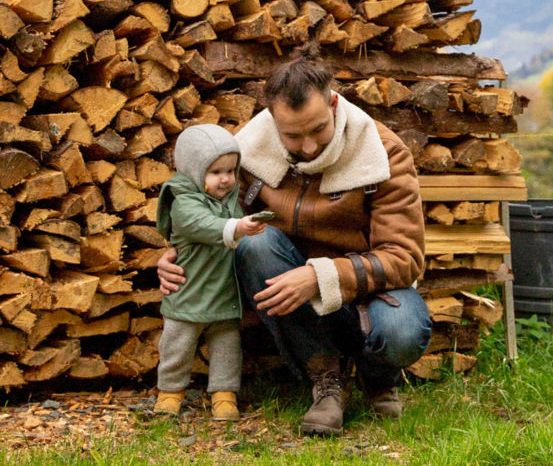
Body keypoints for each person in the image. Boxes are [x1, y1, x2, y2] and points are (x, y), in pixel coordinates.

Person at [158, 52, 431, 436]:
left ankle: (377, 376)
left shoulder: (382, 153)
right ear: (272, 119)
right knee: (255, 244)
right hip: (293, 301)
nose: (307, 147)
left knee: (403, 330)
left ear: (333, 103)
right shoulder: (247, 151)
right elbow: (208, 213)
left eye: (317, 129)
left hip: (366, 295)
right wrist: (176, 253)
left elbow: (404, 259)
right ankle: (326, 381)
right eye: (292, 135)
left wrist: (320, 275)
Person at [154, 124, 268, 421]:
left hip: (224, 293)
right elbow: (201, 224)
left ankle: (224, 393)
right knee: (177, 345)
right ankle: (169, 391)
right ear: (194, 170)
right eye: (216, 172)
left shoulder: (231, 200)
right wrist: (238, 228)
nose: (227, 179)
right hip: (188, 292)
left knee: (227, 347)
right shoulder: (182, 200)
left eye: (231, 171)